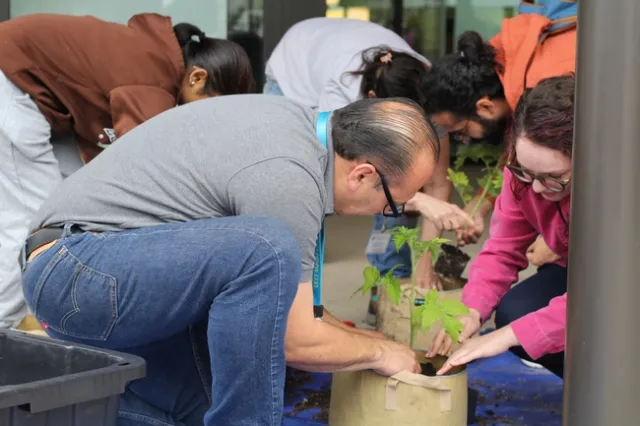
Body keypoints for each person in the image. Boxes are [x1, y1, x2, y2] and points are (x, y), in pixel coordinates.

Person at [22, 94, 440, 425]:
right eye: (391, 204)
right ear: (363, 174)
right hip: (76, 270)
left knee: (201, 405)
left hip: (101, 273)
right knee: (265, 247)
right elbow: (295, 338)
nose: (386, 214)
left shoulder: (296, 131)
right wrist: (380, 356)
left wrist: (375, 341)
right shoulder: (288, 175)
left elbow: (301, 311)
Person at [0, 13, 253, 329]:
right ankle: (3, 329)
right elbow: (142, 173)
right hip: (11, 85)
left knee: (67, 209)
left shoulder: (156, 59)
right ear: (197, 78)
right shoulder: (153, 80)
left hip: (36, 96)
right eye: (211, 107)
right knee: (35, 223)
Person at [265, 18, 474, 326]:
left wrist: (424, 266)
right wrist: (418, 201)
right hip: (294, 67)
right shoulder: (340, 97)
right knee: (294, 198)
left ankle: (390, 289)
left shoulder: (428, 89)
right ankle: (296, 314)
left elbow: (436, 183)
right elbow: (326, 175)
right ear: (375, 102)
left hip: (337, 50)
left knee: (399, 178)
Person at [430, 75, 575, 378]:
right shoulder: (523, 177)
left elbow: (608, 294)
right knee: (516, 311)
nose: (535, 188)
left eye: (552, 177)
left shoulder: (619, 190)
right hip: (573, 269)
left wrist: (507, 336)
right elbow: (503, 249)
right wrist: (471, 310)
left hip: (622, 285)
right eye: (525, 172)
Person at [421, 15, 576, 252]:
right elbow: (518, 158)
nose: (464, 140)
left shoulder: (542, 83)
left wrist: (558, 238)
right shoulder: (509, 63)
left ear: (485, 106)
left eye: (462, 131)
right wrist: (479, 206)